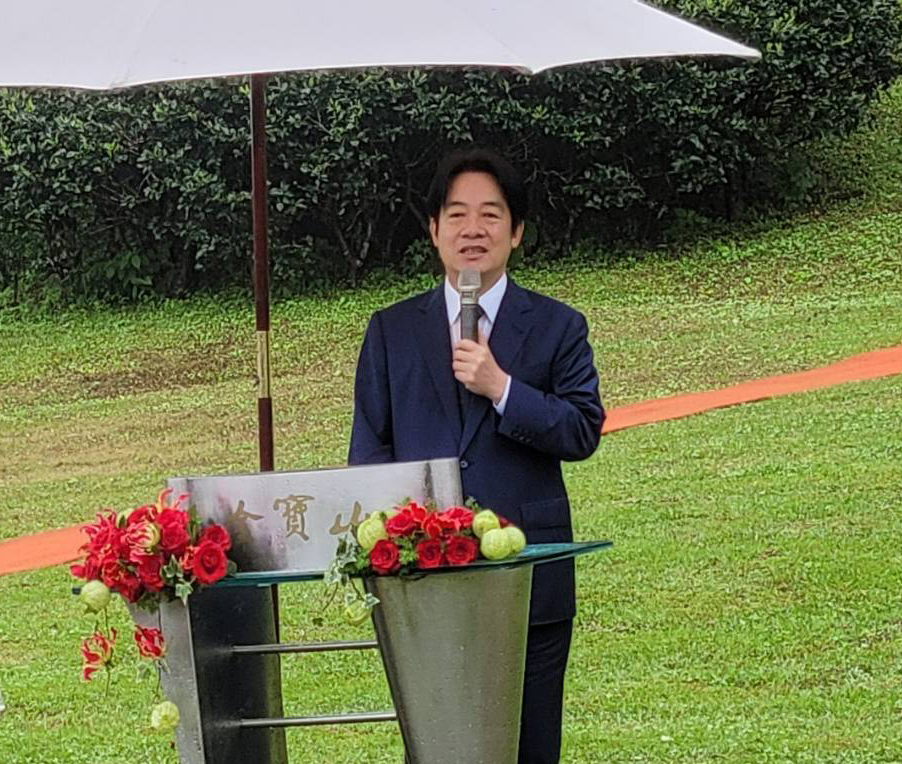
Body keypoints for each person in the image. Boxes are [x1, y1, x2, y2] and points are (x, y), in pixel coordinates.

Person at [348, 146, 604, 764]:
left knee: (530, 745)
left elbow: (582, 429)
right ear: (434, 229)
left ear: (516, 232)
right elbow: (369, 455)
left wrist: (503, 388)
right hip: (424, 582)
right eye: (457, 214)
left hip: (530, 581)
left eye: (491, 215)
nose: (473, 229)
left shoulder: (557, 326)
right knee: (438, 748)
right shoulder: (391, 331)